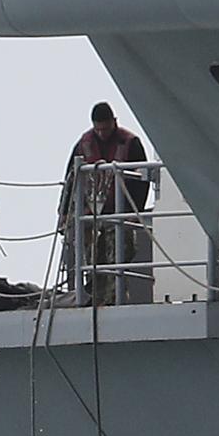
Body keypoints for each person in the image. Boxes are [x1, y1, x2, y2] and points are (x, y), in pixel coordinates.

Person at [60, 102, 148, 305]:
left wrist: (136, 211)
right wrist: (65, 213)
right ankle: (94, 298)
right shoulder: (84, 144)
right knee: (92, 258)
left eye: (105, 129)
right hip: (92, 214)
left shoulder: (130, 143)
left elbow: (142, 181)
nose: (101, 134)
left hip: (120, 212)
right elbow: (71, 179)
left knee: (118, 254)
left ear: (114, 122)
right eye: (98, 129)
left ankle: (114, 298)